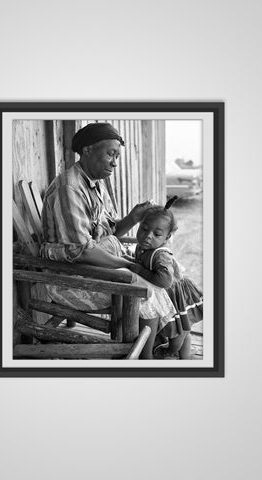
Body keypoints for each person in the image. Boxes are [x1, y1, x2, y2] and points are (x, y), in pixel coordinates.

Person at [39, 122, 176, 359]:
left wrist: (133, 217)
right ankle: (142, 357)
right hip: (70, 278)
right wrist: (129, 265)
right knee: (145, 286)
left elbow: (109, 234)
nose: (115, 162)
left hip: (92, 268)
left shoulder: (94, 184)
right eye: (111, 154)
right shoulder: (70, 188)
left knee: (155, 282)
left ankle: (146, 350)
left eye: (118, 156)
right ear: (88, 150)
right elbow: (83, 251)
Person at [126, 196, 203, 359]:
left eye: (156, 234)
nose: (148, 236)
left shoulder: (161, 255)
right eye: (144, 229)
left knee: (179, 334)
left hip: (178, 297)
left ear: (166, 238)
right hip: (169, 295)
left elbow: (164, 280)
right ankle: (183, 356)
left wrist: (140, 270)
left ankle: (176, 353)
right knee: (183, 330)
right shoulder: (142, 246)